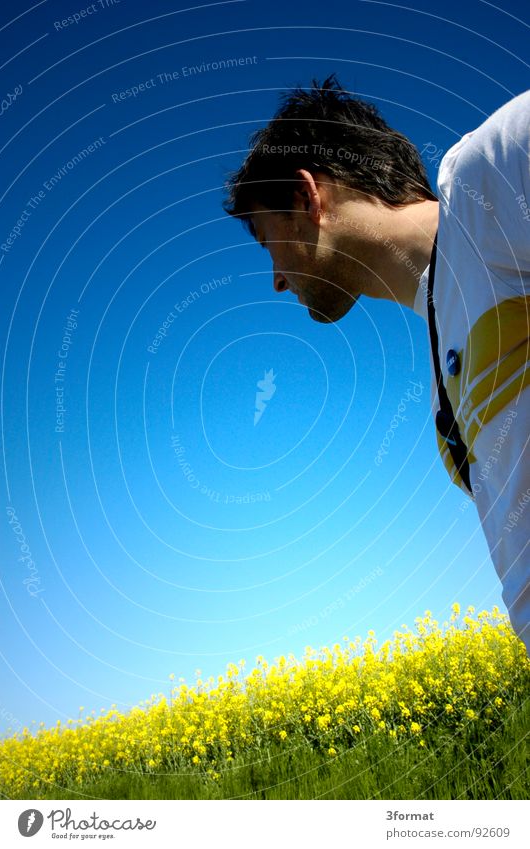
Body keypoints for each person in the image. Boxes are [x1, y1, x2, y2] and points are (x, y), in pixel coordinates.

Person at [222, 75, 530, 652]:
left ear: (307, 197)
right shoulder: (442, 372)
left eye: (270, 243)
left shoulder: (488, 177)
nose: (278, 279)